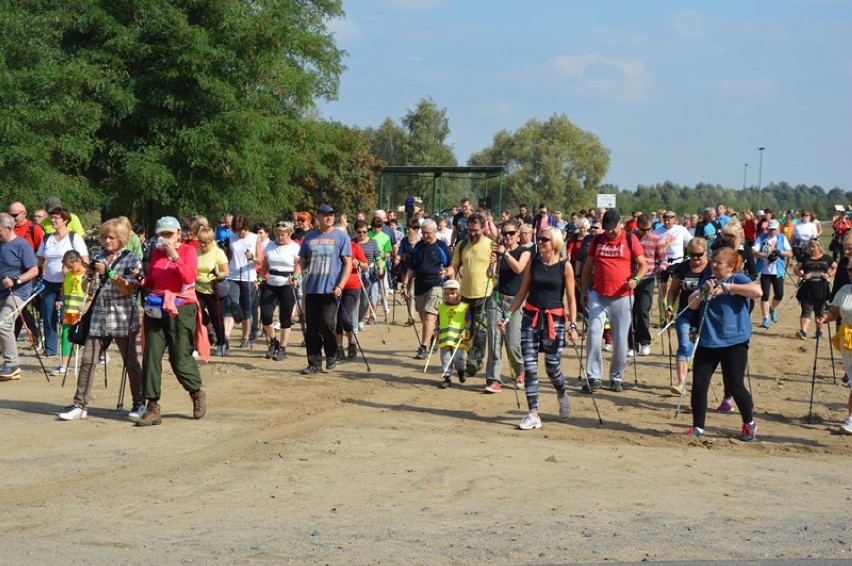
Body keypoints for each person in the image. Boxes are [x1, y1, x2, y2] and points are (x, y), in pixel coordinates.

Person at [58, 219, 146, 421]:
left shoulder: (131, 258)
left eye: (112, 237)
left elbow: (129, 288)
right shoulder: (97, 255)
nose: (107, 240)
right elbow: (87, 289)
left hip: (122, 314)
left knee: (130, 362)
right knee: (88, 361)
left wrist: (110, 273)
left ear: (122, 238)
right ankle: (80, 404)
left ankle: (139, 402)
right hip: (98, 314)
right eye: (104, 236)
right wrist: (88, 277)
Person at [499, 226, 579, 429]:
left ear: (555, 243)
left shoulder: (565, 266)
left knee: (552, 368)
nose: (540, 242)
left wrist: (573, 325)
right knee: (530, 368)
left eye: (544, 239)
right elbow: (522, 292)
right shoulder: (533, 264)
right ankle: (533, 413)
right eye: (539, 239)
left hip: (555, 320)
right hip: (531, 317)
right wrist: (508, 316)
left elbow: (570, 297)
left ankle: (561, 393)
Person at [136, 216, 208, 426]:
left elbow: (189, 278)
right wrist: (140, 278)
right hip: (157, 307)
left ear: (178, 233)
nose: (165, 238)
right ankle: (152, 407)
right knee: (150, 355)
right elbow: (152, 281)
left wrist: (175, 256)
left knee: (179, 357)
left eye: (169, 233)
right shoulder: (156, 253)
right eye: (161, 234)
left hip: (181, 307)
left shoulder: (188, 251)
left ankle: (196, 392)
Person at [684, 247, 762, 440]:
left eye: (718, 262)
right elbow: (692, 304)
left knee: (736, 386)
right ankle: (698, 427)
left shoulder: (738, 279)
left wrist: (729, 288)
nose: (714, 264)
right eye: (713, 261)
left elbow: (757, 291)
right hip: (708, 341)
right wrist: (703, 291)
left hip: (734, 342)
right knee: (700, 385)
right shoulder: (707, 279)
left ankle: (749, 423)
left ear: (730, 267)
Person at [580, 209, 648, 392]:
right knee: (594, 333)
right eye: (606, 228)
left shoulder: (630, 239)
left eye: (612, 228)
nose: (609, 232)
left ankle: (616, 377)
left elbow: (643, 265)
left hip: (622, 296)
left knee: (619, 340)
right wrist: (584, 291)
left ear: (620, 224)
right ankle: (593, 376)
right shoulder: (597, 240)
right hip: (598, 294)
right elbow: (588, 267)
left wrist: (636, 280)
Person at [295, 204, 352, 374]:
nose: (329, 217)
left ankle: (332, 353)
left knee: (328, 324)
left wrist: (341, 285)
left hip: (331, 289)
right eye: (325, 215)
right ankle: (314, 363)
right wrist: (295, 276)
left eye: (331, 214)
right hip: (312, 288)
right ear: (317, 217)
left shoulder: (341, 237)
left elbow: (347, 263)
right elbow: (301, 260)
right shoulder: (310, 237)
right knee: (311, 328)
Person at [484, 219, 532, 392]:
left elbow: (519, 269)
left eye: (511, 233)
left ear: (518, 234)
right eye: (505, 233)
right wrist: (493, 262)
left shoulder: (524, 251)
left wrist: (505, 254)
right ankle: (493, 379)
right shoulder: (500, 251)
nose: (508, 236)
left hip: (515, 301)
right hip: (496, 298)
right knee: (495, 339)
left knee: (512, 343)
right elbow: (491, 275)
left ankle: (520, 370)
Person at [36, 207, 89, 359]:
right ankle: (51, 349)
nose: (53, 221)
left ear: (65, 220)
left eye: (56, 218)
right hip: (48, 282)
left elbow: (84, 259)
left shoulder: (74, 238)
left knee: (67, 318)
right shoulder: (47, 238)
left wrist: (83, 278)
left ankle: (69, 347)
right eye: (51, 218)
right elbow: (39, 258)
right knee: (47, 315)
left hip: (69, 284)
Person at [446, 213, 492, 378]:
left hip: (484, 293)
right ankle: (464, 358)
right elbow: (454, 265)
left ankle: (475, 361)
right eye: (470, 230)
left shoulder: (490, 245)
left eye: (475, 230)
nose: (472, 233)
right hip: (465, 294)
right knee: (465, 329)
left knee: (480, 329)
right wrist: (446, 272)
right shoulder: (462, 244)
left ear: (483, 228)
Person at [665, 238, 712, 395]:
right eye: (691, 254)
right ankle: (681, 383)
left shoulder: (712, 268)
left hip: (705, 314)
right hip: (685, 312)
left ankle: (700, 382)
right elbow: (673, 290)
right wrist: (670, 306)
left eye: (699, 254)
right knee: (685, 345)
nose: (695, 258)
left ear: (706, 252)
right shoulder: (683, 267)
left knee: (701, 349)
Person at [401, 219, 451, 360]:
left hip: (437, 285)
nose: (426, 236)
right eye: (423, 233)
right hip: (420, 286)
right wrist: (405, 284)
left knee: (429, 316)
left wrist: (449, 280)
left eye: (428, 233)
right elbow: (412, 267)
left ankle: (423, 347)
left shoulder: (442, 247)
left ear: (434, 232)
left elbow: (451, 266)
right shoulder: (418, 247)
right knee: (424, 318)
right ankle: (434, 337)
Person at [0, 213, 39, 380]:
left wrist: (16, 280)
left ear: (8, 228)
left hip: (18, 292)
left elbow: (34, 270)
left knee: (3, 324)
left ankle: (12, 364)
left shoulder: (21, 245)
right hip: (1, 291)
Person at [816, 258, 852, 434]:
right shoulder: (844, 291)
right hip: (848, 340)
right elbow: (834, 313)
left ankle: (851, 419)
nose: (851, 273)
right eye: (850, 270)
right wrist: (824, 317)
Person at [257, 222, 301, 360]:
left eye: (283, 235)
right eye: (277, 234)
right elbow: (265, 265)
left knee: (285, 317)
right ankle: (273, 342)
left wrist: (295, 277)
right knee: (265, 315)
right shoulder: (270, 245)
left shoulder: (294, 247)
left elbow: (299, 264)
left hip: (287, 283)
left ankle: (282, 348)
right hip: (271, 282)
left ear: (289, 234)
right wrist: (259, 279)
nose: (280, 237)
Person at [629, 214, 668, 357]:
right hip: (631, 279)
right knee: (630, 311)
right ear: (637, 226)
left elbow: (663, 259)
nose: (646, 232)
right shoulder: (631, 237)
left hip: (648, 278)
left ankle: (645, 341)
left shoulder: (657, 238)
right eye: (643, 230)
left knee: (642, 310)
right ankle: (632, 344)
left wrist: (660, 267)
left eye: (649, 229)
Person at [9, 202, 44, 347]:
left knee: (20, 305)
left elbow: (42, 252)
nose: (12, 218)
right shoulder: (7, 229)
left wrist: (42, 274)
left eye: (15, 215)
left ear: (24, 213)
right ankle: (19, 338)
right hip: (12, 274)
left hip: (31, 273)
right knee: (18, 307)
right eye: (10, 214)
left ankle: (39, 333)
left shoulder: (33, 228)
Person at [195, 227, 229, 357]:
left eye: (206, 242)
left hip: (213, 290)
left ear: (211, 241)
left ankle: (221, 343)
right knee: (197, 314)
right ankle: (203, 336)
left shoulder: (218, 252)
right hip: (198, 289)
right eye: (201, 241)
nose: (203, 245)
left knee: (217, 318)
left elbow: (226, 272)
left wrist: (219, 274)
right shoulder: (196, 252)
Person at [223, 214, 257, 348]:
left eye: (241, 230)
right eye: (237, 230)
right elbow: (229, 257)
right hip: (233, 276)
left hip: (248, 276)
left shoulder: (255, 238)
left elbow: (261, 259)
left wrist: (252, 257)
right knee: (231, 307)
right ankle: (225, 338)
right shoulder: (231, 238)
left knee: (246, 309)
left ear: (246, 227)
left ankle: (245, 337)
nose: (239, 233)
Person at [753, 219, 793, 329]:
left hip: (778, 271)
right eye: (770, 229)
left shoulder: (782, 238)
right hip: (765, 271)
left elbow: (790, 252)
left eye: (774, 229)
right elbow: (754, 251)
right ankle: (765, 318)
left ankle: (772, 308)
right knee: (764, 295)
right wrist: (765, 255)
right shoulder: (761, 238)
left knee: (779, 294)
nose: (772, 231)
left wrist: (780, 252)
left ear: (778, 229)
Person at [336, 225, 367, 360]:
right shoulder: (332, 248)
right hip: (334, 286)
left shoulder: (354, 247)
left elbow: (365, 266)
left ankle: (352, 341)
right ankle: (338, 348)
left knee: (344, 317)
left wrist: (358, 263)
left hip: (352, 286)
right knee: (335, 320)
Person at [794, 239, 835, 340]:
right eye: (810, 246)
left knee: (820, 311)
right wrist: (803, 275)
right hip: (807, 288)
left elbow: (835, 267)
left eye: (814, 246)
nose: (811, 249)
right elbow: (796, 269)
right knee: (806, 309)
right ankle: (803, 331)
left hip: (822, 288)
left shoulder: (827, 258)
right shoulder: (805, 258)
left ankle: (819, 332)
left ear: (819, 247)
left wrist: (828, 274)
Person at [54, 250, 87, 375]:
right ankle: (64, 365)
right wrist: (60, 302)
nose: (69, 269)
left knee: (88, 339)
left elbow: (91, 295)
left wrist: (86, 308)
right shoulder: (67, 275)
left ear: (78, 261)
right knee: (66, 337)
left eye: (71, 266)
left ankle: (100, 356)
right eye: (67, 267)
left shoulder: (86, 276)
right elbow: (64, 293)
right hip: (68, 313)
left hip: (83, 315)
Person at [435, 279, 470, 389]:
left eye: (452, 293)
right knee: (445, 358)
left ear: (458, 293)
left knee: (458, 357)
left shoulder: (464, 307)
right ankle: (447, 377)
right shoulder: (441, 307)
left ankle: (461, 370)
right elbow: (438, 319)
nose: (449, 296)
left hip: (458, 337)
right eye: (447, 294)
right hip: (445, 337)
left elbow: (469, 320)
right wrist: (436, 329)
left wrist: (465, 330)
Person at [655, 210, 693, 299]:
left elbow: (690, 242)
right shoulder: (657, 231)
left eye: (669, 220)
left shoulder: (681, 229)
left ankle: (673, 310)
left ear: (674, 220)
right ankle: (662, 309)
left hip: (677, 262)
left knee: (676, 288)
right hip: (662, 262)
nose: (667, 222)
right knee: (662, 288)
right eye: (665, 220)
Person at [352, 219, 381, 328]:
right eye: (359, 232)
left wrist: (380, 268)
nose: (362, 234)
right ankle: (354, 322)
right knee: (355, 298)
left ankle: (360, 319)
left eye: (364, 232)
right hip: (354, 273)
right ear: (356, 232)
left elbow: (377, 256)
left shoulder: (372, 242)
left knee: (365, 300)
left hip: (368, 273)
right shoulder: (352, 242)